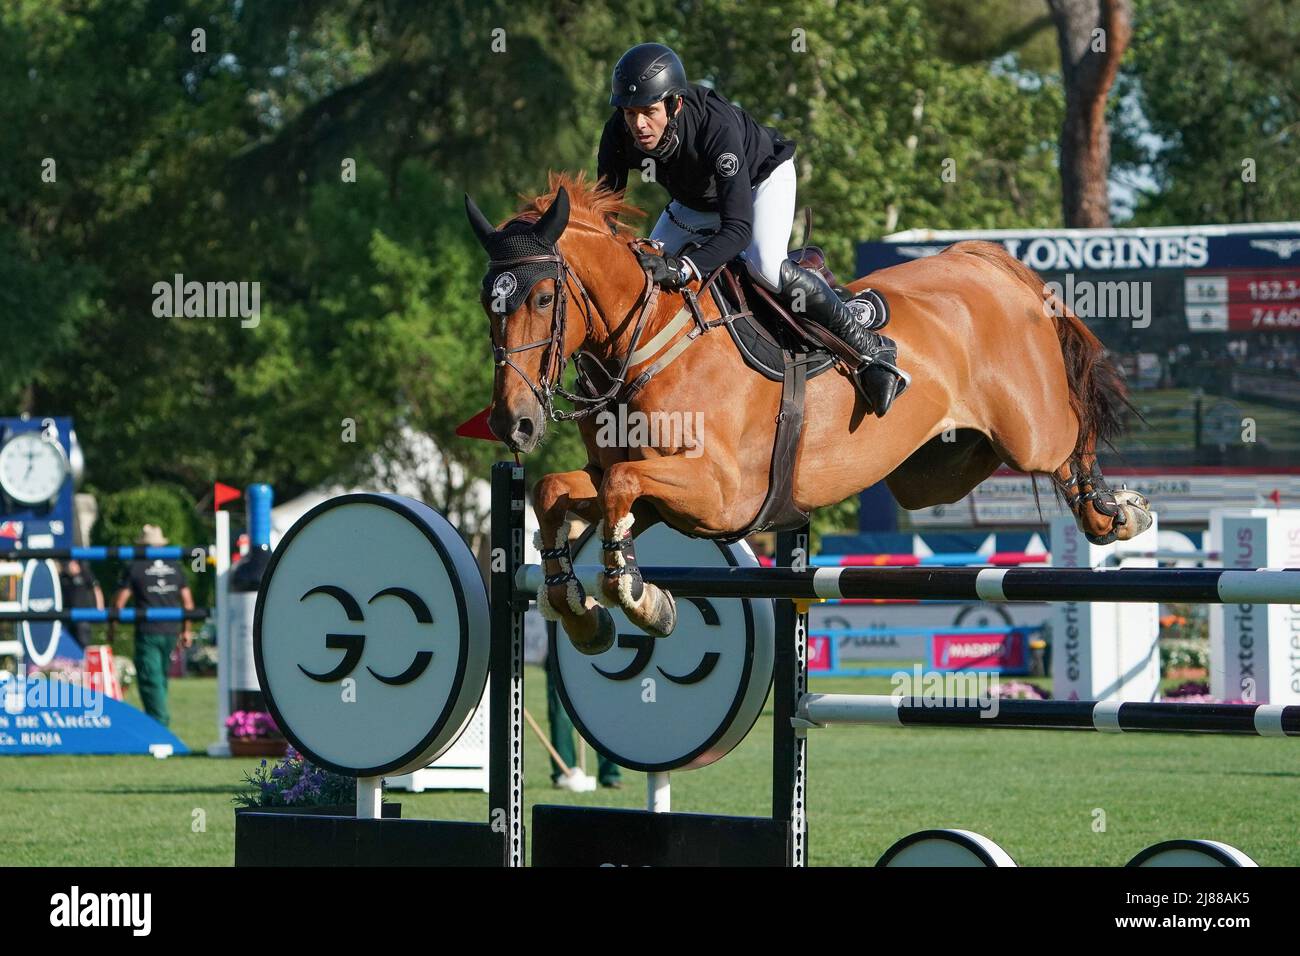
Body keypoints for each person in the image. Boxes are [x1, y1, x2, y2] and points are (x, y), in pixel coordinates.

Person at [596, 42, 909, 415]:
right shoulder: (618, 131)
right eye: (630, 113)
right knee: (642, 274)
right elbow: (606, 214)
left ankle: (869, 349)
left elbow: (738, 229)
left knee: (764, 266)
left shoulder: (716, 128)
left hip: (760, 183)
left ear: (675, 104)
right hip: (694, 201)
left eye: (648, 112)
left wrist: (683, 266)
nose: (638, 125)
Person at [111, 524, 195, 726]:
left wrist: (111, 627)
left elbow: (119, 602)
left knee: (150, 679)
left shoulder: (135, 566)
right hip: (171, 631)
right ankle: (158, 720)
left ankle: (159, 723)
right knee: (161, 678)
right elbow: (188, 602)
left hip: (148, 631)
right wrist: (187, 630)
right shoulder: (175, 566)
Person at [58, 559, 104, 652]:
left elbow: (96, 589)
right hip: (67, 615)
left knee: (83, 642)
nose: (68, 567)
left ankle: (84, 663)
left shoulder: (85, 573)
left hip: (83, 614)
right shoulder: (63, 577)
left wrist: (100, 607)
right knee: (69, 643)